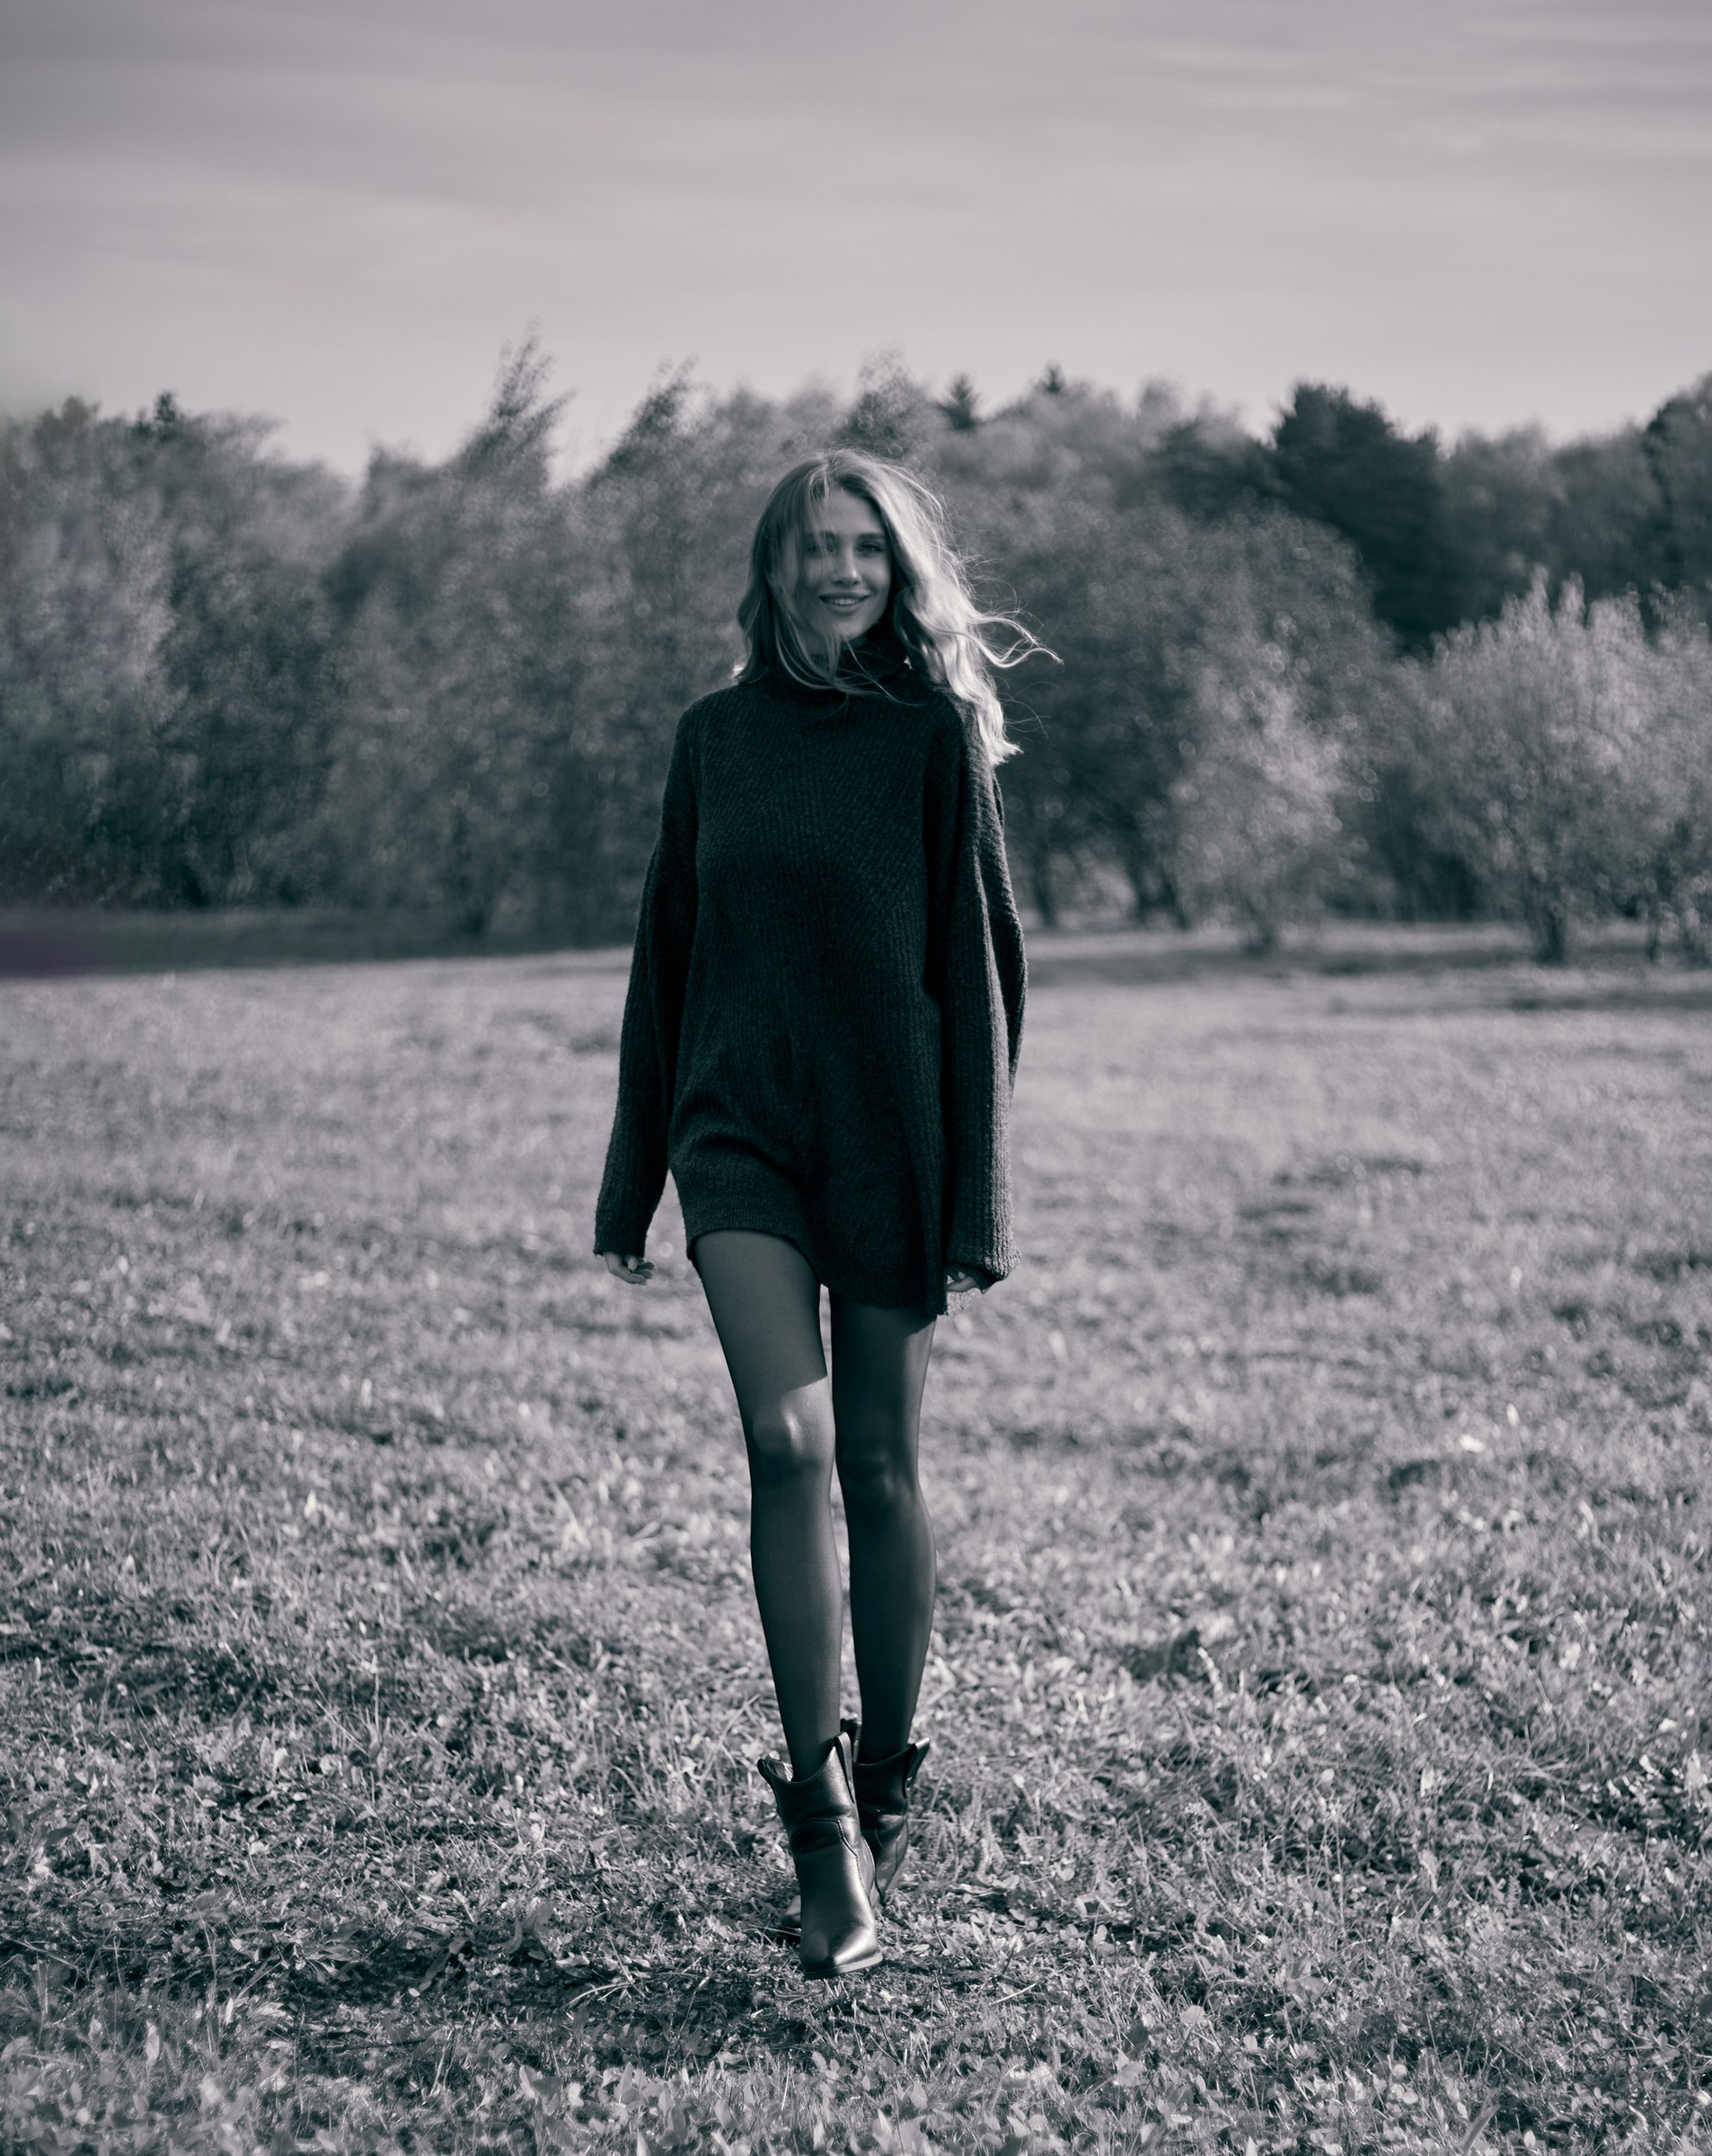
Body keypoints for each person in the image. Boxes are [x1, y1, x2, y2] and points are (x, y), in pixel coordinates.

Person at [594, 449, 1035, 1978]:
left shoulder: (930, 741)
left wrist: (975, 1196)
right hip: (739, 1133)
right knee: (787, 1442)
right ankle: (823, 1817)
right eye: (816, 547)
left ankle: (893, 1770)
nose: (843, 569)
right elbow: (667, 956)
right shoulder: (713, 740)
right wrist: (633, 1176)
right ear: (773, 569)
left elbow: (980, 975)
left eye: (867, 547)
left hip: (889, 1139)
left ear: (899, 571)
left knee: (881, 1463)